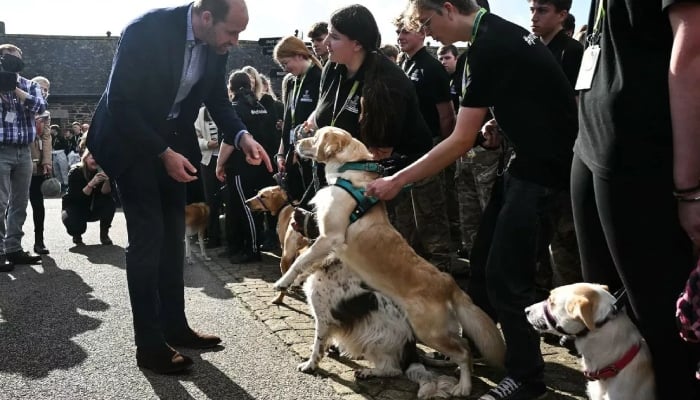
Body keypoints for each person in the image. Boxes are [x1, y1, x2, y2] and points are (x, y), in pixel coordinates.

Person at [367, 1, 578, 399]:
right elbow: (533, 94)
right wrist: (502, 121)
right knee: (481, 263)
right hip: (522, 163)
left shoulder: (488, 45)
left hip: (542, 173)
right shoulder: (497, 33)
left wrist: (398, 179)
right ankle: (477, 347)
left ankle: (527, 378)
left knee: (507, 277)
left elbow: (460, 139)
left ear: (448, 8)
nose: (429, 34)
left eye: (428, 23)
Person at [86, 0, 272, 374]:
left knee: (173, 236)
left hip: (172, 139)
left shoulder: (215, 44)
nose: (236, 41)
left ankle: (175, 325)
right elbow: (120, 102)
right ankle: (150, 346)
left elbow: (217, 99)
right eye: (232, 32)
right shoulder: (145, 31)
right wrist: (162, 152)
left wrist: (242, 134)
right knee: (149, 237)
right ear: (205, 18)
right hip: (128, 139)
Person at [572, 1, 700, 398]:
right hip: (593, 146)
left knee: (666, 330)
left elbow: (692, 46)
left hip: (642, 155)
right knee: (608, 322)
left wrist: (690, 187)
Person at [395, 17, 456, 269]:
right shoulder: (404, 65)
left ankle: (442, 263)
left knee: (430, 209)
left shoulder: (431, 66)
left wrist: (444, 147)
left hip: (428, 145)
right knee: (406, 213)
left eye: (406, 31)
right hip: (405, 150)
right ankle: (412, 260)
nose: (400, 36)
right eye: (397, 31)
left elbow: (446, 112)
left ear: (422, 33)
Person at [217, 71, 275, 263]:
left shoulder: (235, 107)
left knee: (245, 207)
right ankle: (242, 246)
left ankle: (251, 250)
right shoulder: (259, 105)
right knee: (247, 208)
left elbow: (229, 140)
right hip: (258, 163)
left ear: (231, 87)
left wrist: (220, 164)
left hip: (240, 165)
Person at [0, 43, 47, 272]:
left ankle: (13, 248)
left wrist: (14, 89)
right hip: (1, 150)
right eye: (5, 58)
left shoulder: (31, 85)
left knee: (20, 203)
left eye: (14, 57)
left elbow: (40, 107)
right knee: (0, 202)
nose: (10, 61)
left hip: (24, 152)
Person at [272, 35, 322, 204]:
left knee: (310, 202)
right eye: (282, 65)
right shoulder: (292, 82)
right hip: (291, 153)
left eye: (286, 63)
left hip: (309, 154)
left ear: (299, 55)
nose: (285, 69)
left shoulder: (319, 78)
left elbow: (320, 119)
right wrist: (281, 152)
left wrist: (300, 150)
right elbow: (288, 120)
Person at [61, 150, 115, 246]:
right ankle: (76, 234)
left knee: (109, 202)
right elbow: (77, 198)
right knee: (76, 226)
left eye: (98, 159)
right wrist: (91, 183)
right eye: (93, 158)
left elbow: (105, 192)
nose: (96, 161)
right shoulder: (76, 172)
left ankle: (104, 234)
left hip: (93, 207)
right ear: (85, 158)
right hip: (76, 207)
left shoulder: (102, 171)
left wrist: (107, 180)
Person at [29, 76, 53, 255]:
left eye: (46, 89)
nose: (43, 91)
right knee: (13, 204)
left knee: (38, 203)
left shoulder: (46, 113)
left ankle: (39, 241)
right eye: (40, 87)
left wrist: (46, 161)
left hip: (37, 163)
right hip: (19, 160)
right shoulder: (21, 105)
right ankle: (9, 244)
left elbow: (46, 137)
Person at [194, 105, 223, 248]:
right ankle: (213, 236)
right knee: (211, 200)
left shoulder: (225, 109)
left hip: (224, 159)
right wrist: (207, 144)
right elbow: (196, 136)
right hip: (208, 160)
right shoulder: (202, 112)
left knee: (226, 198)